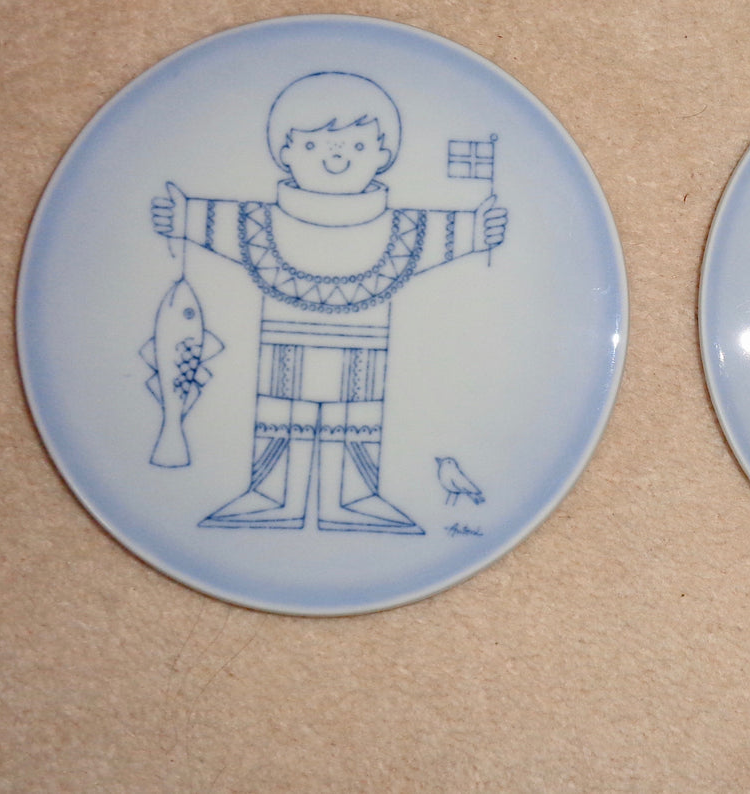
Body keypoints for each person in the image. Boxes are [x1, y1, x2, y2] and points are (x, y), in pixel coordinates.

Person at [151, 71, 506, 531]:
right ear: (284, 153)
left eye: (357, 145)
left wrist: (479, 231)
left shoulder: (403, 231)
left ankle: (355, 499)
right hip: (286, 345)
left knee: (356, 425)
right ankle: (272, 495)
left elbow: (443, 233)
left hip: (363, 348)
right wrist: (181, 217)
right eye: (313, 144)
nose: (336, 155)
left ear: (383, 156)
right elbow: (214, 219)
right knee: (280, 419)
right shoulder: (258, 225)